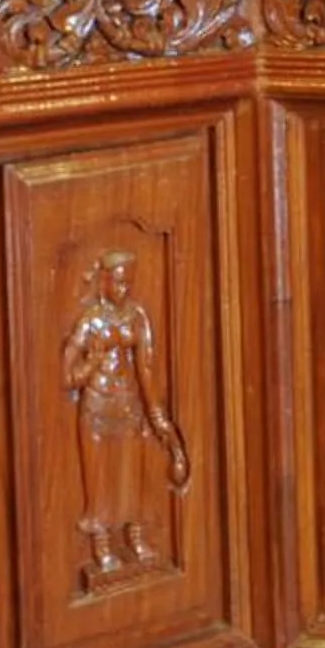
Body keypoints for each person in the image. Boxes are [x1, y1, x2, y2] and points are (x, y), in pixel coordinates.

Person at [62, 248, 190, 586]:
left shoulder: (136, 317)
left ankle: (136, 537)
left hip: (129, 406)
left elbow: (145, 369)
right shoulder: (89, 321)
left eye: (127, 283)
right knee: (100, 483)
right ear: (103, 281)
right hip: (97, 408)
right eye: (117, 282)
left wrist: (157, 414)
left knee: (134, 478)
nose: (123, 289)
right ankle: (102, 545)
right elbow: (68, 374)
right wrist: (91, 363)